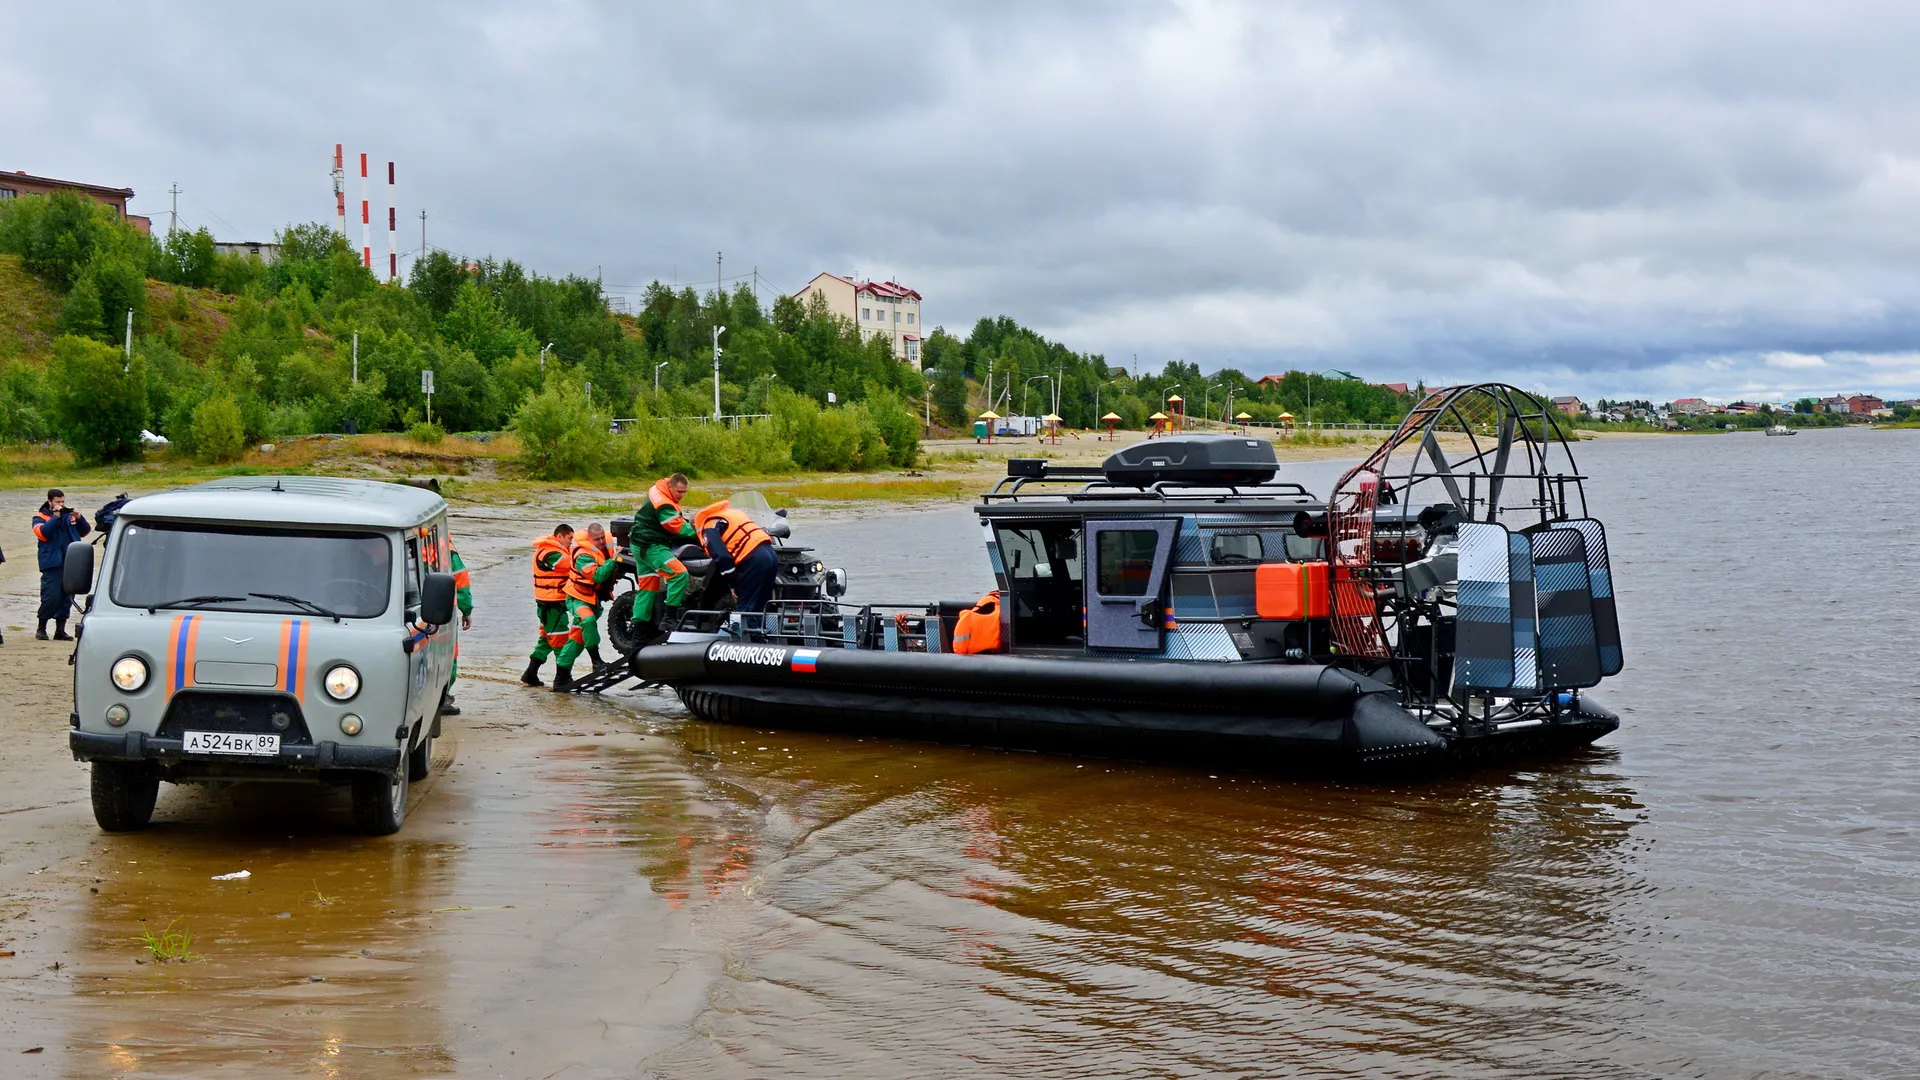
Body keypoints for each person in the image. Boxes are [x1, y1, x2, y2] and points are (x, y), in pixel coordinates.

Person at [550, 523, 624, 691]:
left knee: (577, 639)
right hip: (577, 598)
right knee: (588, 620)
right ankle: (596, 661)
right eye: (596, 540)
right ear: (589, 539)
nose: (600, 542)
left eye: (602, 539)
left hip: (593, 600)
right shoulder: (582, 555)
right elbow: (598, 575)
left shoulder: (606, 549)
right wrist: (613, 561)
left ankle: (561, 678)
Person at [629, 473, 697, 633]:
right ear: (671, 487)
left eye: (684, 492)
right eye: (679, 492)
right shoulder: (664, 503)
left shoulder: (661, 488)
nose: (682, 496)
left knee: (647, 588)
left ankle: (638, 633)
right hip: (651, 545)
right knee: (679, 575)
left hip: (640, 543)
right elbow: (677, 527)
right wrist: (701, 532)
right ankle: (669, 619)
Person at [693, 499, 778, 614]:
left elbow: (721, 556)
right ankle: (763, 629)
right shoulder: (730, 514)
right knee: (761, 603)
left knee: (746, 606)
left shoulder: (707, 526)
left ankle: (744, 631)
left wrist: (733, 584)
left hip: (753, 557)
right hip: (770, 553)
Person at [33, 489, 91, 641]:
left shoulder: (69, 515)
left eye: (63, 501)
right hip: (52, 562)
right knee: (50, 596)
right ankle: (41, 628)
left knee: (67, 597)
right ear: (50, 501)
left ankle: (60, 630)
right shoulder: (40, 517)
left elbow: (85, 532)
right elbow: (43, 534)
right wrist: (56, 517)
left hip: (71, 561)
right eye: (58, 502)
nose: (61, 504)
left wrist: (80, 518)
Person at [522, 524, 574, 688]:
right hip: (551, 604)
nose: (571, 542)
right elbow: (571, 564)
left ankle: (530, 673)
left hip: (553, 603)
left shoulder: (556, 550)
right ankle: (562, 678)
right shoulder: (549, 553)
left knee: (546, 640)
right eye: (569, 538)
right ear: (559, 536)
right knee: (560, 640)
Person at [441, 540, 473, 715]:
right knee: (449, 656)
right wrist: (466, 610)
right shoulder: (447, 548)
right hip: (444, 613)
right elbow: (461, 582)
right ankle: (442, 696)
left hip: (410, 610)